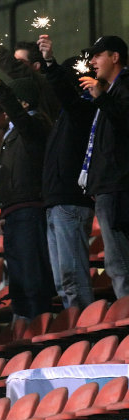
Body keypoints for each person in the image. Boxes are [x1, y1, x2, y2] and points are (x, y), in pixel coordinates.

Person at [0, 57, 55, 319]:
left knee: (30, 273)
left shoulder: (34, 126)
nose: (5, 108)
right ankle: (27, 329)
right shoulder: (14, 132)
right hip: (16, 211)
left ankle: (39, 325)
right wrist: (5, 210)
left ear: (23, 103)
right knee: (19, 276)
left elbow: (18, 116)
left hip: (29, 211)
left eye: (12, 101)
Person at [36, 34, 97, 309]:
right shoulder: (66, 113)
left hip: (70, 200)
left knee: (72, 276)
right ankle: (76, 324)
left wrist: (50, 63)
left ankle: (86, 324)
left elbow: (63, 91)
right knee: (63, 281)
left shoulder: (84, 108)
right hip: (56, 200)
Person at [77, 35, 129, 298]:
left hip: (119, 187)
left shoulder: (124, 86)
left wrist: (101, 98)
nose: (93, 61)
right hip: (110, 186)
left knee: (119, 263)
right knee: (117, 263)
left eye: (99, 55)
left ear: (115, 57)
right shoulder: (109, 92)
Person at [0, 15, 60, 120]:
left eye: (20, 62)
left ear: (36, 66)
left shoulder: (44, 85)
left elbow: (9, 63)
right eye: (15, 60)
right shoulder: (24, 93)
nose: (15, 64)